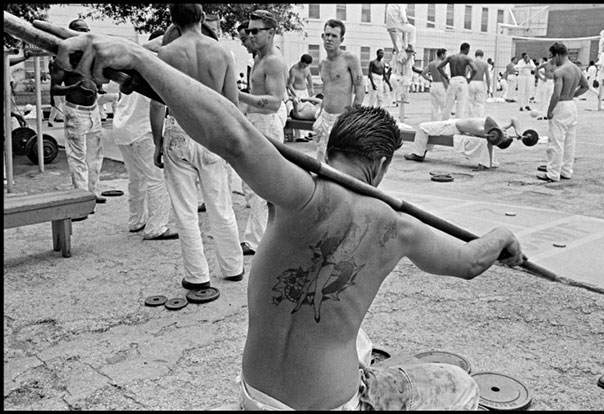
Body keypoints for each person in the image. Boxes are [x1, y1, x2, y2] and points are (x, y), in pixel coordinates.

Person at [56, 25, 527, 411]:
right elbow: (469, 262)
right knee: (458, 384)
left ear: (326, 149)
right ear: (382, 166)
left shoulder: (300, 193)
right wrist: (503, 234)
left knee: (357, 340)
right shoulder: (396, 226)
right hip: (332, 403)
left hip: (255, 395)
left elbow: (235, 139)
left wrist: (142, 59)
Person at [149, 4, 245, 291]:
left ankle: (197, 274)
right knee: (221, 205)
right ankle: (232, 267)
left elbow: (157, 103)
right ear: (202, 18)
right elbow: (232, 105)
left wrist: (158, 141)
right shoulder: (222, 52)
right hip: (212, 133)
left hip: (179, 130)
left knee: (185, 209)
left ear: (173, 23)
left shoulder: (166, 54)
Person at [111, 32, 176, 240]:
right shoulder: (156, 66)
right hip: (142, 129)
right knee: (156, 179)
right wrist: (159, 140)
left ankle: (136, 220)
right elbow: (158, 105)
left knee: (135, 179)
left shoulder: (134, 63)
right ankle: (156, 227)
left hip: (123, 127)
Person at [237, 10, 289, 256]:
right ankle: (264, 235)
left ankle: (256, 240)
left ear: (271, 32)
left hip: (267, 124)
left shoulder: (273, 61)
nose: (250, 35)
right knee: (253, 183)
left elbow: (275, 102)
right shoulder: (259, 58)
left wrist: (237, 95)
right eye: (249, 30)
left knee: (262, 184)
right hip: (257, 122)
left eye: (255, 31)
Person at [49, 18, 106, 211]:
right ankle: (82, 197)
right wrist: (74, 87)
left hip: (94, 111)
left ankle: (93, 191)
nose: (84, 34)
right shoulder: (63, 60)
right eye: (80, 30)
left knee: (95, 155)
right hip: (76, 111)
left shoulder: (93, 56)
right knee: (77, 156)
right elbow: (55, 89)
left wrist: (98, 85)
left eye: (86, 30)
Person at [313, 19, 365, 161]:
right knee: (321, 160)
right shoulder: (322, 64)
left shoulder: (350, 59)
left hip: (341, 117)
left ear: (341, 39)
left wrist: (351, 117)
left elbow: (360, 89)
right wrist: (320, 114)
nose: (329, 39)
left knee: (339, 161)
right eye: (327, 35)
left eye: (334, 36)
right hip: (324, 117)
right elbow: (327, 90)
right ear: (322, 37)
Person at [537, 42, 589, 183]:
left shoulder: (560, 71)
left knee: (556, 141)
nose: (552, 60)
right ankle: (566, 170)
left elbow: (556, 95)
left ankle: (553, 173)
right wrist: (574, 95)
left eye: (552, 57)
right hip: (571, 105)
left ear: (558, 55)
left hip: (561, 106)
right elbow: (586, 86)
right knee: (569, 141)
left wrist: (549, 110)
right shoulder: (576, 69)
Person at [404, 115, 520, 169]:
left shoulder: (486, 132)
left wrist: (487, 164)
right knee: (424, 128)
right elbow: (513, 119)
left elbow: (488, 122)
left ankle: (418, 154)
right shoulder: (498, 128)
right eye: (506, 133)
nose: (504, 133)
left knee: (422, 127)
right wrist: (518, 132)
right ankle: (421, 151)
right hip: (453, 123)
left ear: (497, 140)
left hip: (452, 127)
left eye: (504, 136)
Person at [438, 42, 477, 120]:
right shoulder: (466, 58)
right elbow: (475, 69)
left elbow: (439, 67)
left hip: (452, 80)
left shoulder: (451, 57)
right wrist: (470, 79)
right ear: (467, 50)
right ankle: (458, 122)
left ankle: (444, 121)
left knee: (448, 103)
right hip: (462, 80)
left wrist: (445, 76)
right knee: (461, 104)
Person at [286, 54, 315, 141]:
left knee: (307, 111)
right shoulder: (294, 70)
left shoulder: (307, 68)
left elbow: (309, 77)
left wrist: (311, 87)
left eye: (308, 65)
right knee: (298, 113)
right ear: (301, 62)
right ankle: (299, 136)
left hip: (305, 91)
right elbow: (289, 85)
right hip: (297, 91)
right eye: (305, 65)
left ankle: (306, 133)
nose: (306, 66)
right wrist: (295, 94)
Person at [421, 48, 448, 121]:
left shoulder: (432, 63)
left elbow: (423, 73)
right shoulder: (442, 64)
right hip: (440, 84)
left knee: (434, 106)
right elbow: (442, 76)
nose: (445, 56)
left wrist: (429, 80)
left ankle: (433, 121)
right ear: (442, 54)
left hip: (433, 84)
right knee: (444, 105)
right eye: (445, 54)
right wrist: (447, 86)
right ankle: (444, 121)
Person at [469, 49, 492, 117]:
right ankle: (479, 117)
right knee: (480, 103)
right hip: (480, 82)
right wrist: (488, 87)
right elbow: (487, 77)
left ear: (475, 55)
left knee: (470, 102)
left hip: (471, 82)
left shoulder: (471, 62)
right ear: (482, 56)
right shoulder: (484, 64)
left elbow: (466, 73)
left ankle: (470, 117)